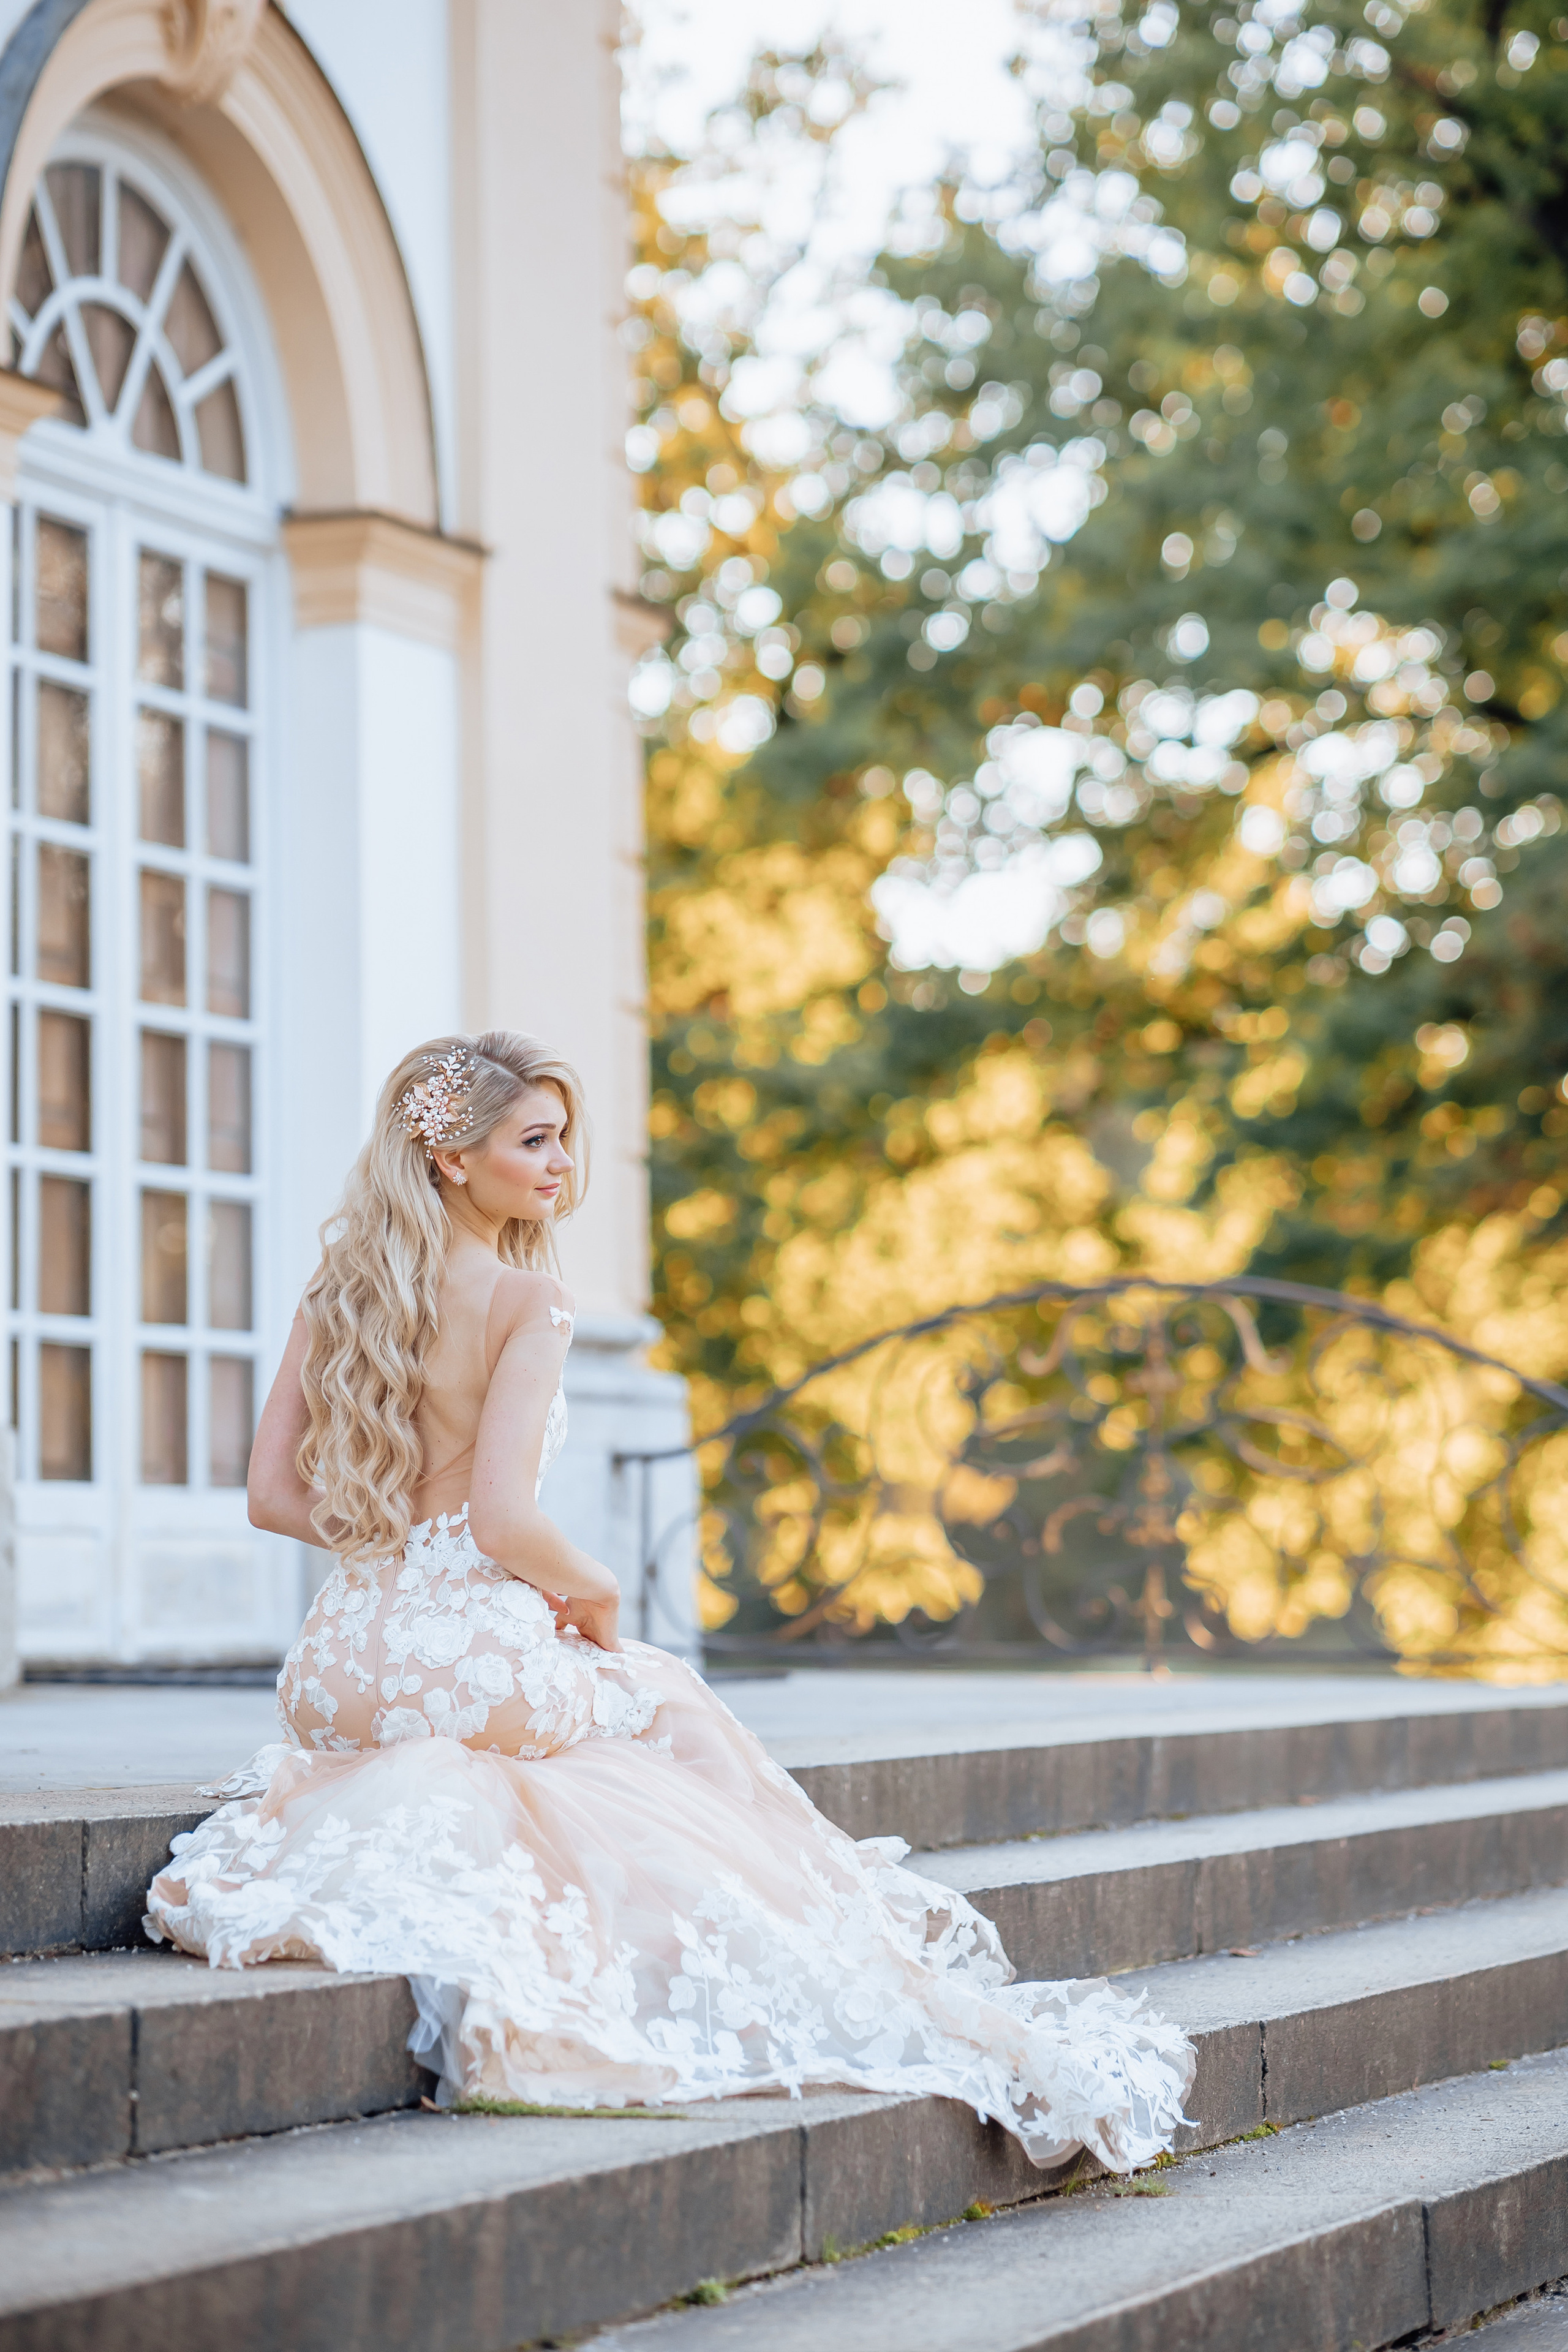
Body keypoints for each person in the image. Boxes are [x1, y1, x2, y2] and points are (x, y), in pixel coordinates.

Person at [146, 1032, 1194, 2169]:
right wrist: (594, 1589)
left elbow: (272, 1498)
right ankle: (773, 1956)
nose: (562, 1166)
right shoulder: (527, 1300)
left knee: (620, 1727)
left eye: (562, 1140)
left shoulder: (339, 1293)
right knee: (671, 1708)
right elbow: (503, 1524)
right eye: (535, 1141)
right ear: (451, 1158)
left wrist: (398, 1547)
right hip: (470, 1670)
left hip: (338, 1671)